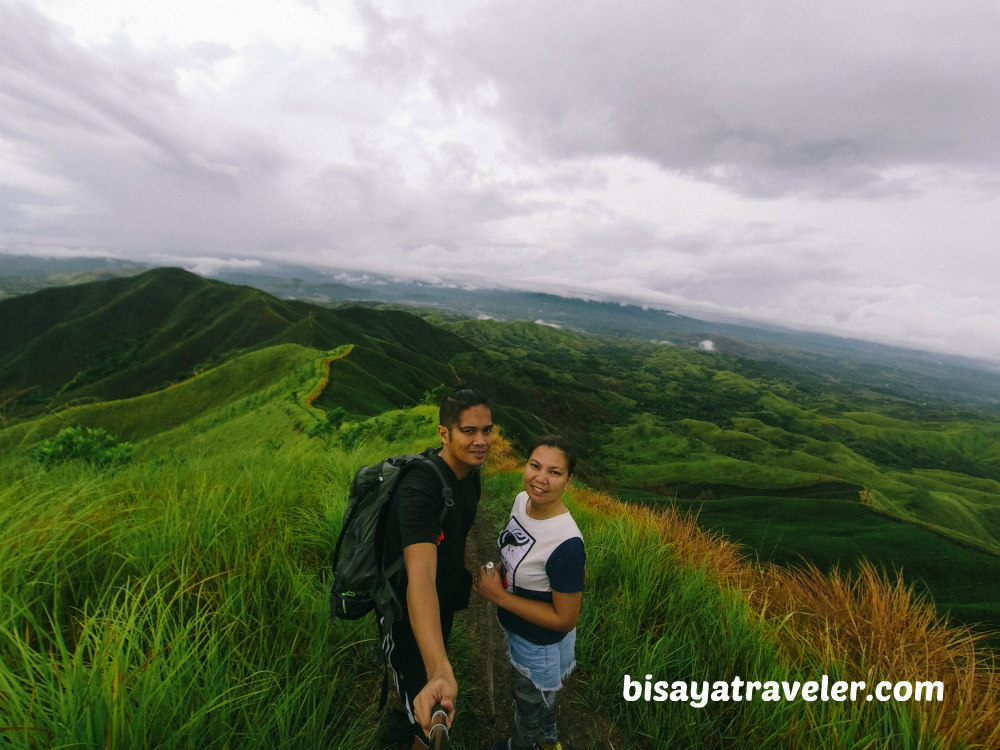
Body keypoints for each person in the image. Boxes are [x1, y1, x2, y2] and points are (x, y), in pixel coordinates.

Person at [380, 387, 494, 749]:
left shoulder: (470, 474)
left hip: (442, 605)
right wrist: (439, 669)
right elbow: (420, 578)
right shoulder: (420, 490)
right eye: (469, 431)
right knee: (427, 707)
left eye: (487, 430)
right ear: (444, 433)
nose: (481, 441)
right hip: (404, 612)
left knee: (424, 692)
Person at [475, 435, 585, 750]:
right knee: (542, 698)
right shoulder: (522, 502)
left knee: (527, 702)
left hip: (538, 643)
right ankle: (549, 742)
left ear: (569, 481)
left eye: (554, 472)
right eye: (535, 466)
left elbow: (566, 618)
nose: (541, 478)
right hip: (522, 629)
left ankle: (522, 745)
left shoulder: (566, 544)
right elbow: (516, 548)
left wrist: (497, 596)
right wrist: (498, 568)